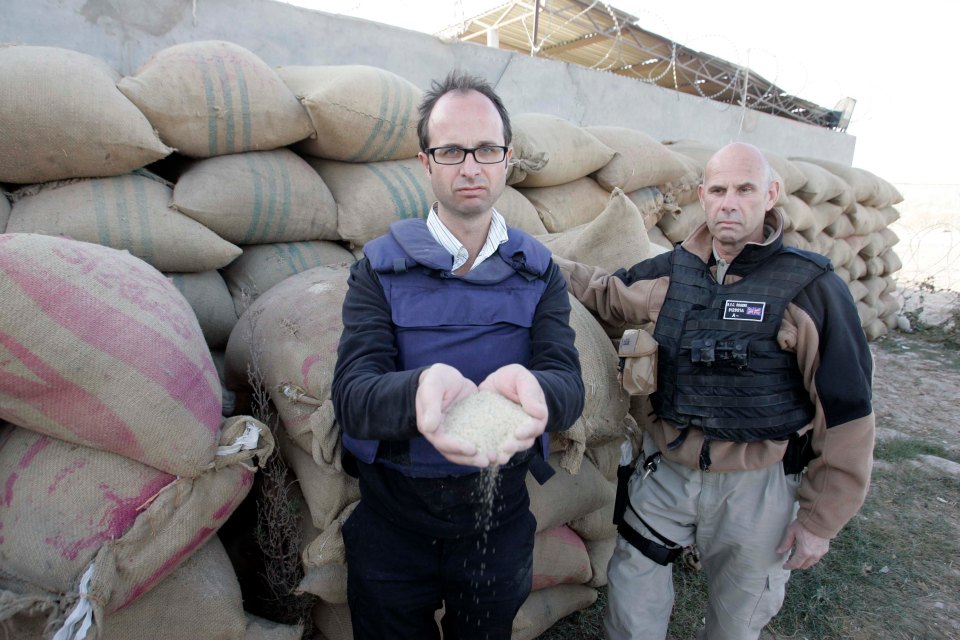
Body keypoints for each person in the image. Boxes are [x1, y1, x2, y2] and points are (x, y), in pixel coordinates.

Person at [554, 142, 875, 640]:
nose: (730, 202)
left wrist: (820, 520)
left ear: (770, 194)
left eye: (745, 189)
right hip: (669, 473)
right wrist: (534, 262)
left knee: (737, 624)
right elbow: (605, 293)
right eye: (719, 189)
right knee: (631, 609)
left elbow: (848, 410)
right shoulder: (672, 270)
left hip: (758, 487)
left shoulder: (810, 287)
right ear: (702, 196)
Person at [331, 70, 585, 640]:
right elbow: (351, 397)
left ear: (507, 159)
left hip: (497, 520)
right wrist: (418, 391)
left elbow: (569, 386)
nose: (470, 167)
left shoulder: (539, 271)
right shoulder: (378, 267)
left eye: (486, 150)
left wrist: (536, 390)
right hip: (395, 517)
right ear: (426, 163)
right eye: (450, 151)